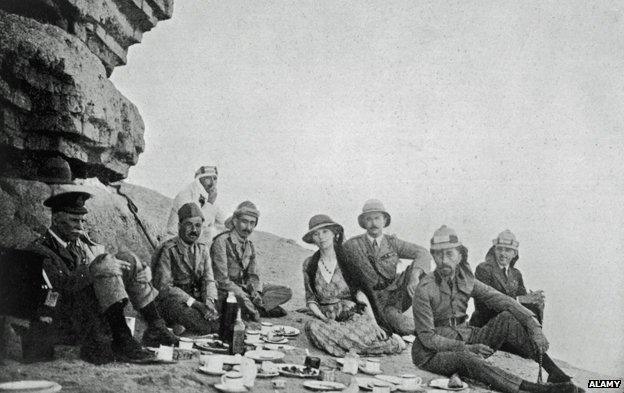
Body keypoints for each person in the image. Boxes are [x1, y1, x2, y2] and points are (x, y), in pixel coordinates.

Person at [411, 225, 584, 393]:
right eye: (438, 254)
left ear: (460, 255)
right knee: (468, 359)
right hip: (431, 354)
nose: (443, 260)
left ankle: (553, 371)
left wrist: (533, 325)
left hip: (467, 336)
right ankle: (536, 389)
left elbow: (502, 300)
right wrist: (465, 348)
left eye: (449, 254)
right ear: (433, 256)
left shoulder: (466, 280)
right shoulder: (425, 288)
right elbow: (427, 338)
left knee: (508, 318)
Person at [27, 188, 178, 364]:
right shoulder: (40, 250)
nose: (81, 227)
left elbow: (104, 272)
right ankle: (122, 338)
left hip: (88, 311)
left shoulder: (77, 244)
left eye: (82, 221)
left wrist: (138, 268)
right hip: (65, 319)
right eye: (74, 220)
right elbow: (57, 292)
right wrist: (94, 269)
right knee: (104, 263)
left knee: (127, 259)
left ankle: (156, 326)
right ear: (56, 220)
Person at [302, 214, 406, 357]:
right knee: (312, 327)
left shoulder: (346, 258)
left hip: (352, 316)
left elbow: (360, 293)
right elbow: (311, 299)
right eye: (316, 234)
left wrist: (374, 323)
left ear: (334, 233)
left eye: (325, 231)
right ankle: (370, 348)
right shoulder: (309, 264)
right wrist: (323, 318)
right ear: (313, 239)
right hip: (328, 321)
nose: (321, 237)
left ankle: (378, 345)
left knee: (363, 330)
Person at [342, 199, 430, 335]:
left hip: (396, 297)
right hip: (372, 303)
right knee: (406, 327)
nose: (373, 223)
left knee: (422, 271)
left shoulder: (393, 243)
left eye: (377, 218)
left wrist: (414, 277)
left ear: (384, 220)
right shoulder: (352, 246)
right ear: (364, 223)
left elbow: (423, 252)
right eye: (369, 219)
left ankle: (431, 316)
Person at [210, 201, 292, 321]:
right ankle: (254, 308)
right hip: (225, 291)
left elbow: (253, 276)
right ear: (234, 221)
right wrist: (244, 296)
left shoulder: (249, 245)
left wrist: (255, 293)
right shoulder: (221, 242)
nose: (248, 228)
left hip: (244, 289)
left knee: (286, 292)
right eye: (244, 222)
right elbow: (222, 280)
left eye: (252, 223)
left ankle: (253, 306)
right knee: (238, 299)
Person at [152, 202, 219, 335]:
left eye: (198, 226)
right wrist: (195, 304)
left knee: (224, 313)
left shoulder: (202, 249)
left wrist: (209, 301)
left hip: (197, 300)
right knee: (203, 325)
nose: (194, 230)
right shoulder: (168, 249)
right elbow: (164, 287)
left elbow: (209, 279)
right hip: (173, 301)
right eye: (189, 224)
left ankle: (185, 326)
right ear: (179, 226)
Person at [470, 230, 545, 327]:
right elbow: (484, 305)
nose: (502, 253)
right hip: (485, 326)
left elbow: (523, 305)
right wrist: (520, 299)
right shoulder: (483, 269)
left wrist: (535, 301)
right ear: (494, 250)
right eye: (499, 249)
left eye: (507, 250)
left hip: (510, 326)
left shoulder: (516, 274)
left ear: (514, 253)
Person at [164, 165, 226, 243]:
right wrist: (210, 203)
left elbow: (222, 224)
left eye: (215, 178)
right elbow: (195, 225)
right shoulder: (186, 194)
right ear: (199, 180)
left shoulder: (208, 196)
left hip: (196, 244)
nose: (213, 183)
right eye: (208, 179)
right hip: (177, 243)